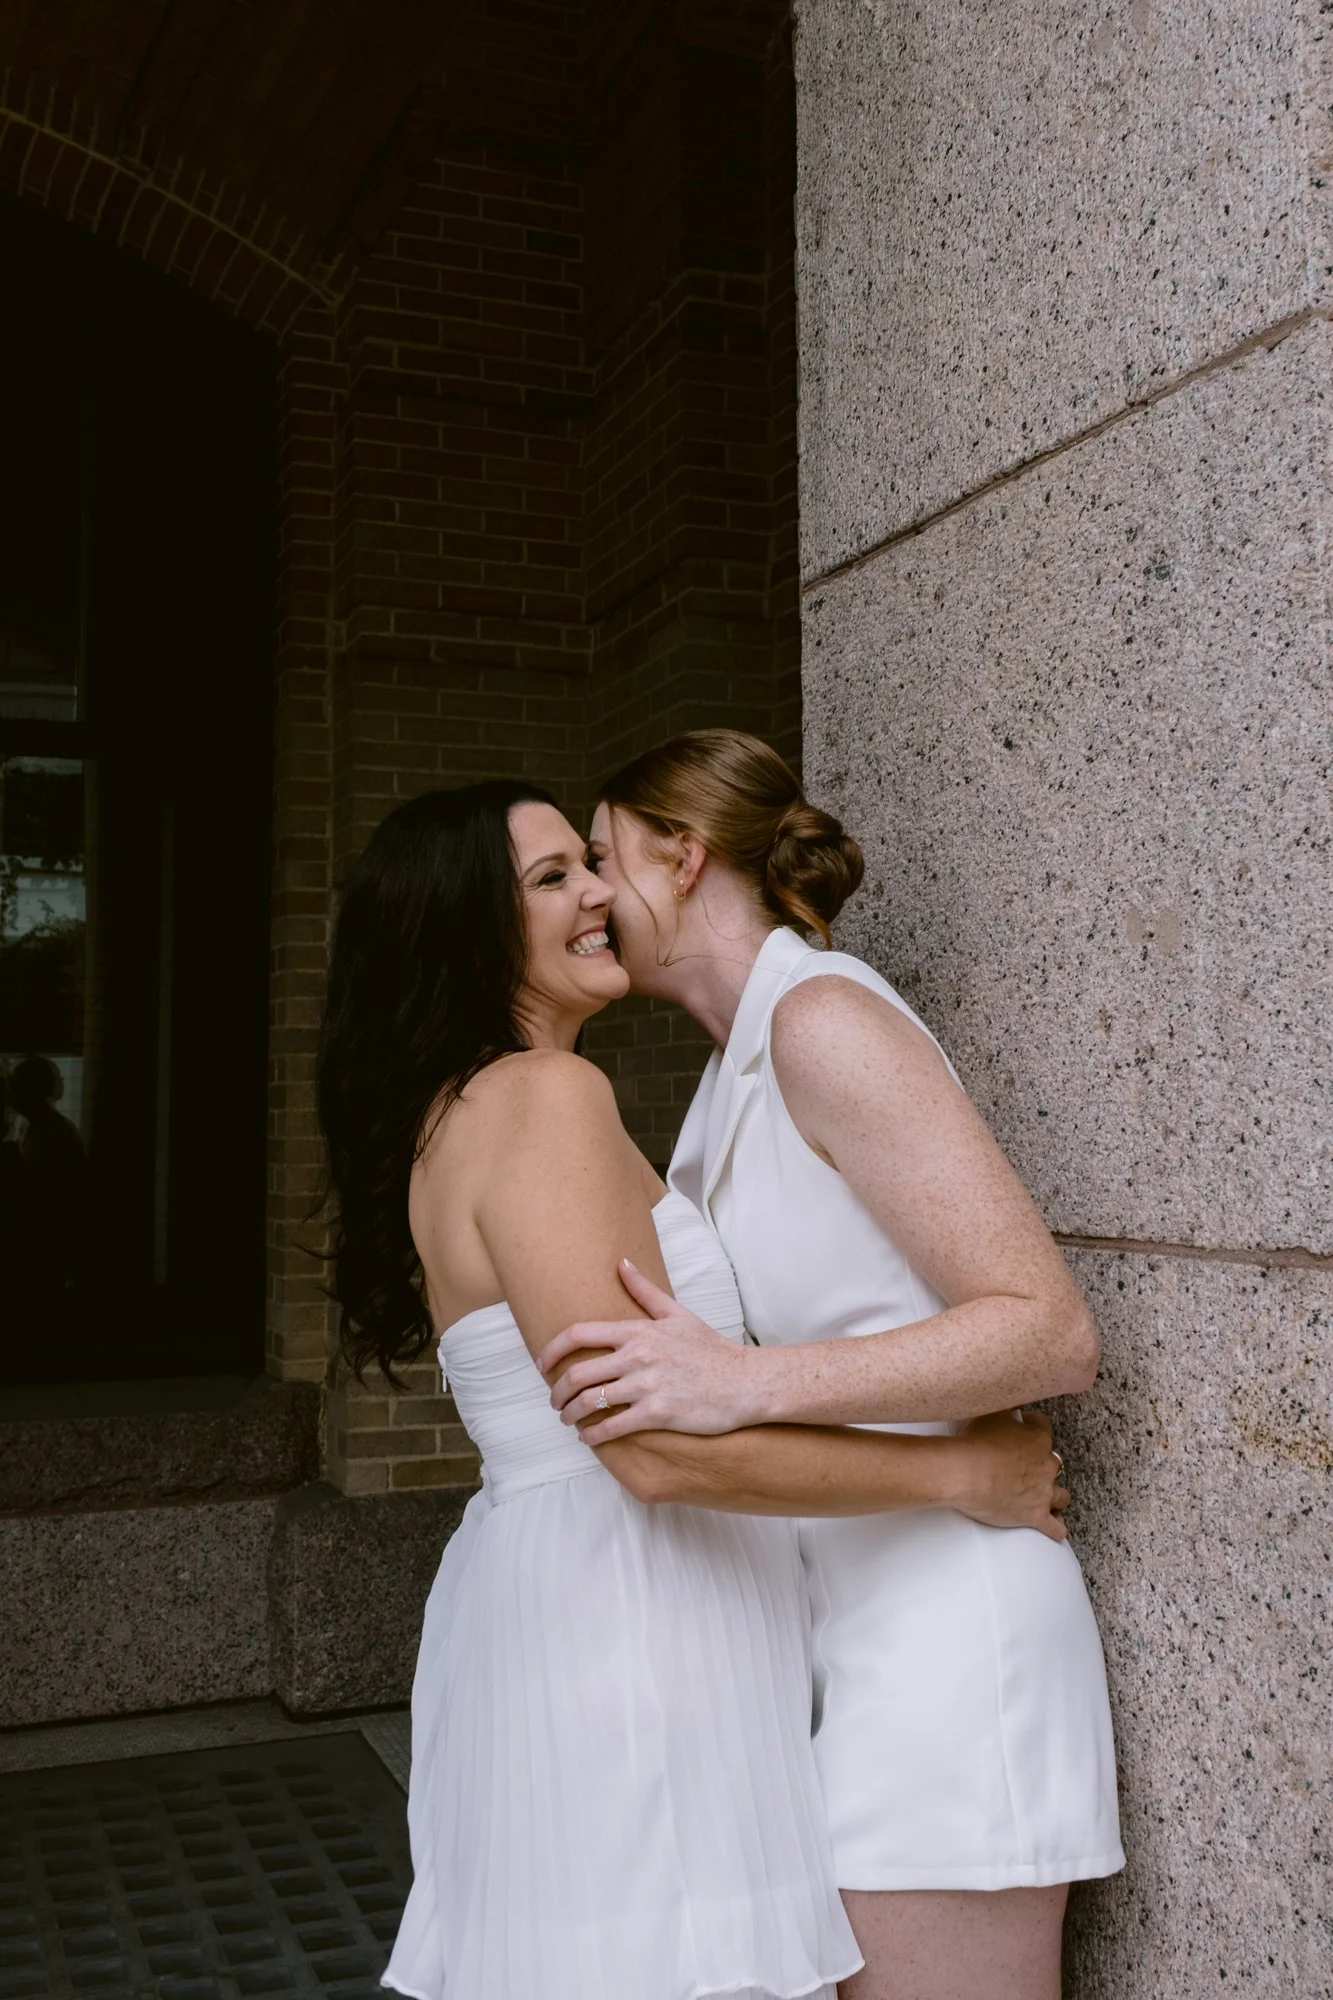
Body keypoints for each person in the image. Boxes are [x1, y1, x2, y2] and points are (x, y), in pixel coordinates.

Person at [315, 779, 1071, 2000]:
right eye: (552, 877)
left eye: (590, 862)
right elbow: (655, 1449)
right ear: (469, 929)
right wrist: (959, 1470)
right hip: (628, 1612)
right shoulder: (543, 1097)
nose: (596, 894)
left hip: (580, 1595)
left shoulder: (471, 1109)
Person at [538, 730, 1125, 2000]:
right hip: (835, 1636)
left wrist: (744, 1383)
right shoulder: (727, 1072)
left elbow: (1048, 1328)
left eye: (599, 856)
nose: (587, 891)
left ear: (682, 855)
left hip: (948, 1649)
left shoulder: (821, 1020)